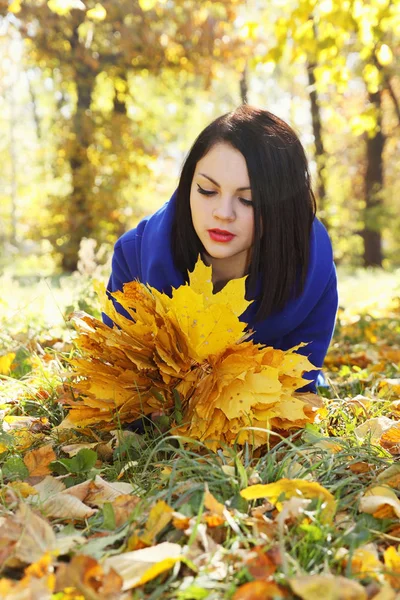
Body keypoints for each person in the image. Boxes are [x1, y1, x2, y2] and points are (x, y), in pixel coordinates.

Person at [103, 104, 338, 395]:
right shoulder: (133, 256)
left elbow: (296, 393)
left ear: (283, 208)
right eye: (207, 191)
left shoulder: (313, 271)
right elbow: (120, 382)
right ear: (189, 185)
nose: (223, 213)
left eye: (248, 200)